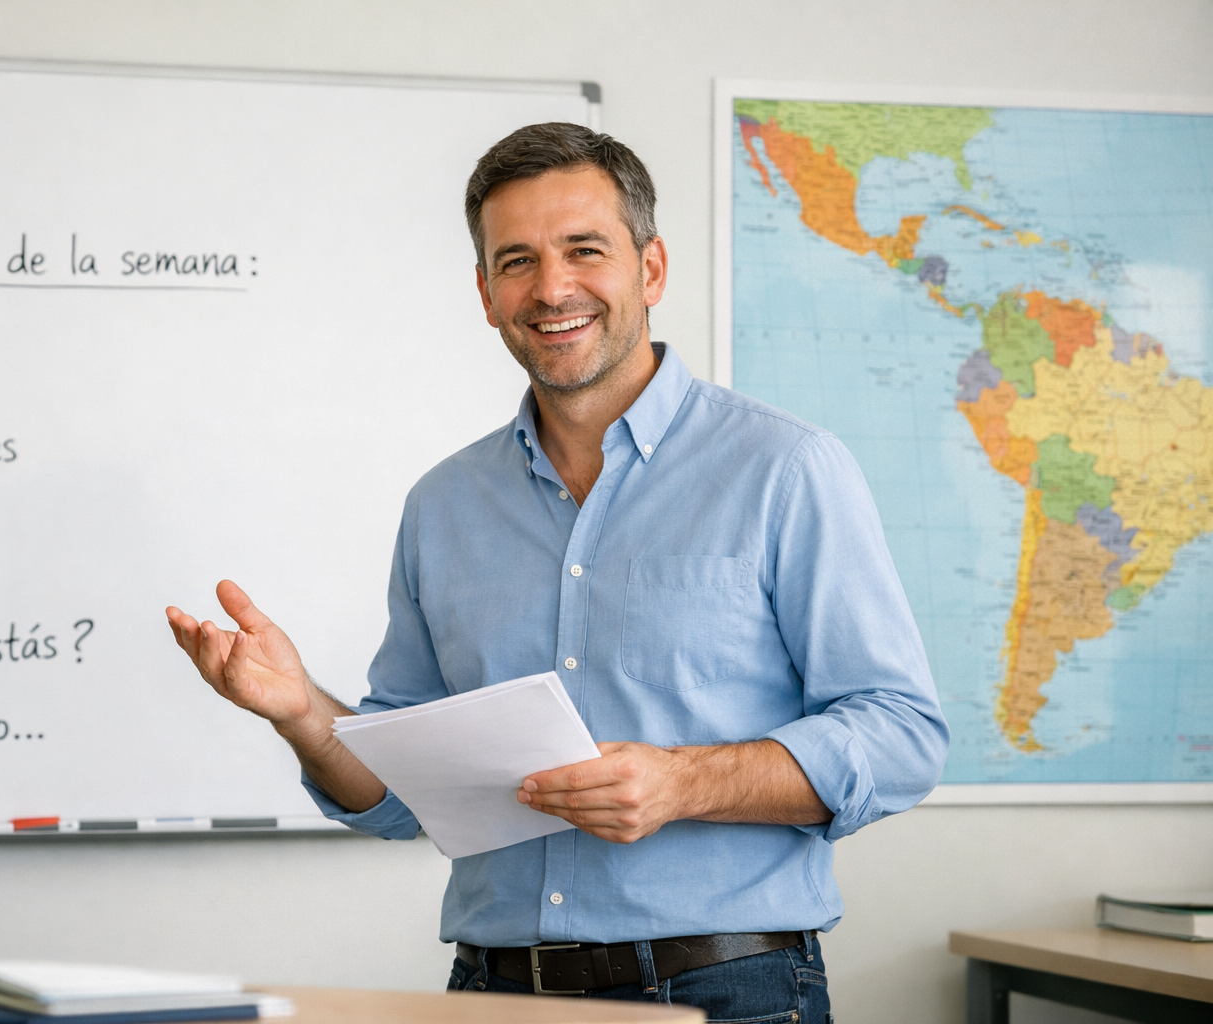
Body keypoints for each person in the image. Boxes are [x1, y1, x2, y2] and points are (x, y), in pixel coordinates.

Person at [165, 122, 948, 1019]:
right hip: (491, 991)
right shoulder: (442, 505)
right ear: (486, 292)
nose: (552, 288)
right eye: (517, 261)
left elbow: (901, 738)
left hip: (730, 992)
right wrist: (303, 711)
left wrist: (684, 783)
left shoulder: (786, 470)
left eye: (585, 250)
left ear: (651, 270)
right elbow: (400, 797)